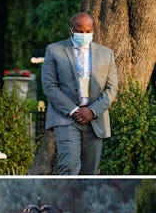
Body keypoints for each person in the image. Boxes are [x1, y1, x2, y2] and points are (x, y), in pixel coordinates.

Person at [41, 12, 118, 175]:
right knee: (69, 166)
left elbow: (111, 88)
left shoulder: (106, 54)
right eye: (80, 31)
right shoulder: (55, 50)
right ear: (71, 30)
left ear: (93, 31)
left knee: (89, 173)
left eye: (88, 31)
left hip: (95, 120)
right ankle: (64, 199)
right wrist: (75, 111)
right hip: (66, 118)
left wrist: (92, 111)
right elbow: (49, 86)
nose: (84, 35)